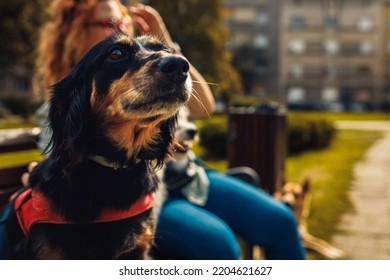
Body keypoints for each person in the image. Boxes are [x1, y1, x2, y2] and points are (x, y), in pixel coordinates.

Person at [33, 0, 305, 259]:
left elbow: (204, 105)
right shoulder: (68, 95)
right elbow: (63, 161)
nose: (122, 26)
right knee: (220, 244)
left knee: (281, 220)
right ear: (75, 32)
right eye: (108, 22)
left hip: (193, 177)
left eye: (123, 19)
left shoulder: (149, 66)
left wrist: (164, 40)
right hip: (145, 194)